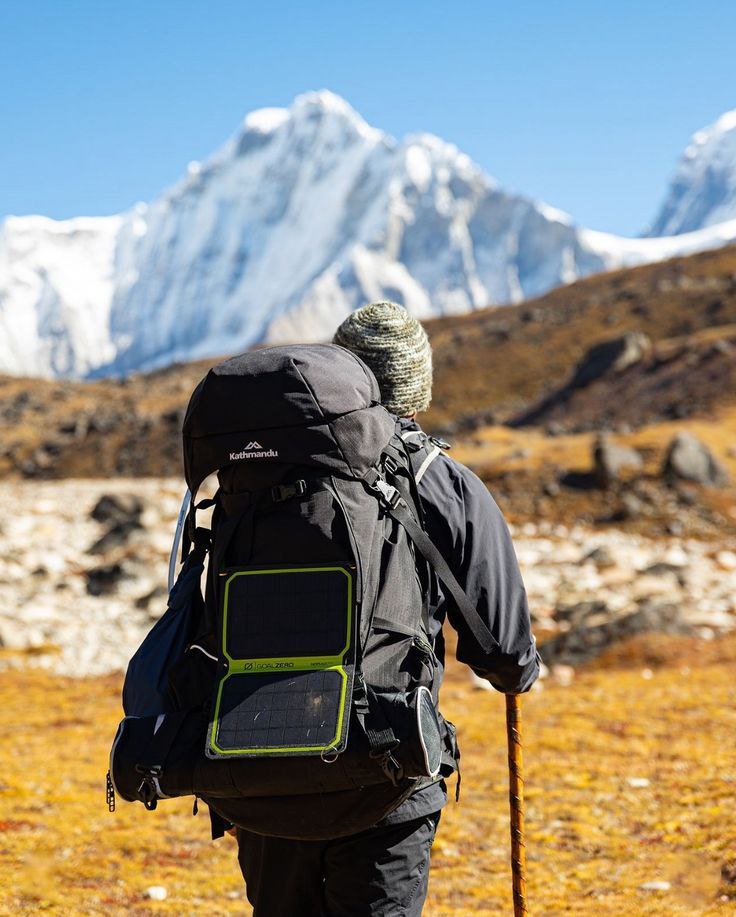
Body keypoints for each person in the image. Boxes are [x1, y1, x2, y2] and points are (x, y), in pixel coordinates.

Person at [235, 301, 541, 916]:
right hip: (386, 771)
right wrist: (519, 673)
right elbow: (504, 654)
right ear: (418, 388)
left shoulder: (254, 476)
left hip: (257, 766)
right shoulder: (441, 481)